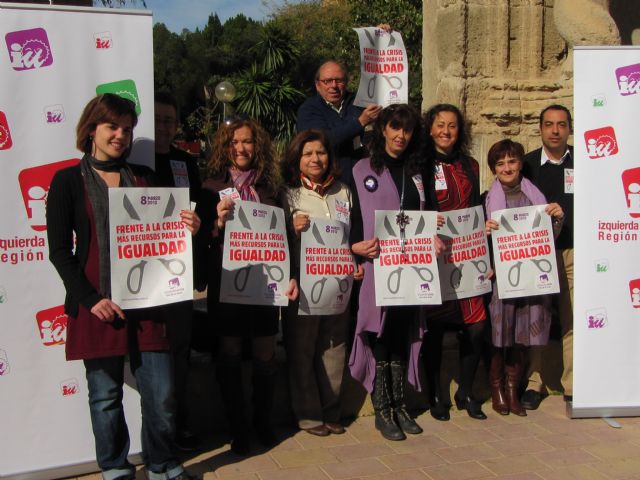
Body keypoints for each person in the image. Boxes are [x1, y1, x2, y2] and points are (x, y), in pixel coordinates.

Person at [46, 93, 199, 480]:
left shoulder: (145, 178)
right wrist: (89, 300)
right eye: (112, 126)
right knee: (105, 398)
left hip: (149, 303)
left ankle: (163, 463)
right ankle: (114, 467)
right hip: (97, 304)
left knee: (161, 395)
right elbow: (60, 252)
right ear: (91, 129)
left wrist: (188, 230)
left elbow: (166, 238)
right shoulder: (66, 181)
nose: (120, 135)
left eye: (127, 129)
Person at [195, 118, 298, 454]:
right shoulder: (209, 187)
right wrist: (218, 222)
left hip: (266, 283)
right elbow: (200, 237)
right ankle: (238, 426)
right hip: (227, 282)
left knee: (265, 353)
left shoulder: (271, 188)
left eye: (248, 142)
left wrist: (291, 273)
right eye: (234, 142)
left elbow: (282, 237)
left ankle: (262, 422)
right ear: (225, 146)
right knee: (229, 351)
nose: (241, 148)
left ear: (259, 147)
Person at [349, 104, 438, 441]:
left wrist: (434, 240)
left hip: (411, 268)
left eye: (407, 129)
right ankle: (382, 408)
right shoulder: (361, 169)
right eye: (395, 128)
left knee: (402, 330)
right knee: (380, 333)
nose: (401, 135)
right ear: (383, 129)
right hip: (376, 266)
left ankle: (400, 404)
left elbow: (425, 215)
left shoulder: (418, 171)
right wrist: (354, 247)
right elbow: (353, 216)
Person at [280, 129, 363, 436]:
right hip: (303, 284)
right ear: (297, 158)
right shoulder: (287, 193)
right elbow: (274, 238)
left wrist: (355, 262)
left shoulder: (344, 190)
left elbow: (353, 234)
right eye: (308, 153)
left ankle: (331, 411)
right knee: (302, 349)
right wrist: (292, 227)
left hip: (339, 283)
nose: (316, 159)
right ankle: (308, 414)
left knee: (334, 347)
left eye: (321, 152)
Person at [484, 139, 564, 416]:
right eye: (500, 163)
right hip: (501, 279)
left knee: (520, 337)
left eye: (512, 161)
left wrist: (556, 218)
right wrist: (486, 233)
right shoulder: (488, 200)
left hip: (530, 279)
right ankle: (496, 388)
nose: (507, 167)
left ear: (520, 164)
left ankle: (512, 390)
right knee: (499, 335)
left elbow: (547, 239)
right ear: (494, 168)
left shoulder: (536, 198)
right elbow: (476, 243)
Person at [421, 104, 488, 421]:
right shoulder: (419, 165)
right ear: (430, 129)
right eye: (440, 125)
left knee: (476, 327)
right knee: (434, 329)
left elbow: (476, 209)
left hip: (468, 253)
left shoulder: (471, 165)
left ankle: (467, 391)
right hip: (434, 256)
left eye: (452, 126)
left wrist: (485, 252)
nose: (446, 131)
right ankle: (436, 393)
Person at [154, 91, 202, 452]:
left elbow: (198, 206)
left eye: (169, 120)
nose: (164, 127)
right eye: (158, 120)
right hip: (141, 274)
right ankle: (158, 430)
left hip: (179, 276)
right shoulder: (133, 163)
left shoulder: (186, 163)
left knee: (180, 352)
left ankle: (181, 422)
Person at [520, 104, 574, 409]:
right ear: (540, 129)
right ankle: (534, 382)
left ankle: (572, 384)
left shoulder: (584, 161)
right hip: (536, 251)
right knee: (537, 317)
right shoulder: (527, 165)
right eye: (549, 124)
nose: (555, 130)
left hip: (573, 250)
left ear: (569, 128)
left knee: (571, 316)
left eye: (561, 124)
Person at [296, 60, 382, 184]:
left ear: (346, 83)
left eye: (339, 80)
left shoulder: (359, 102)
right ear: (317, 85)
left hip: (363, 180)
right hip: (327, 183)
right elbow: (323, 140)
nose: (334, 86)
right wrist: (360, 123)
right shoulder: (308, 110)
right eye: (327, 81)